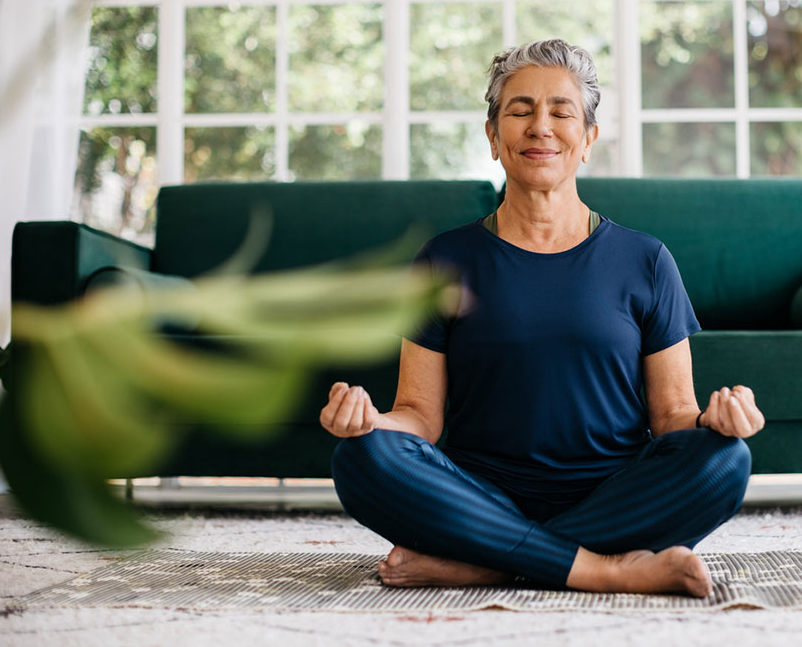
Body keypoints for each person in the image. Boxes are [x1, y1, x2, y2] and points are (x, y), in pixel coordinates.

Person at [321, 39, 764, 597]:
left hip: (614, 494)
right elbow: (419, 417)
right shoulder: (444, 259)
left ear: (588, 139)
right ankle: (603, 569)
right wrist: (369, 424)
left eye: (561, 111)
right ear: (492, 136)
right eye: (521, 110)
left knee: (725, 460)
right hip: (477, 495)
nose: (541, 127)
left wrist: (715, 422)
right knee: (361, 457)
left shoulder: (646, 259)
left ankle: (488, 562)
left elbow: (674, 415)